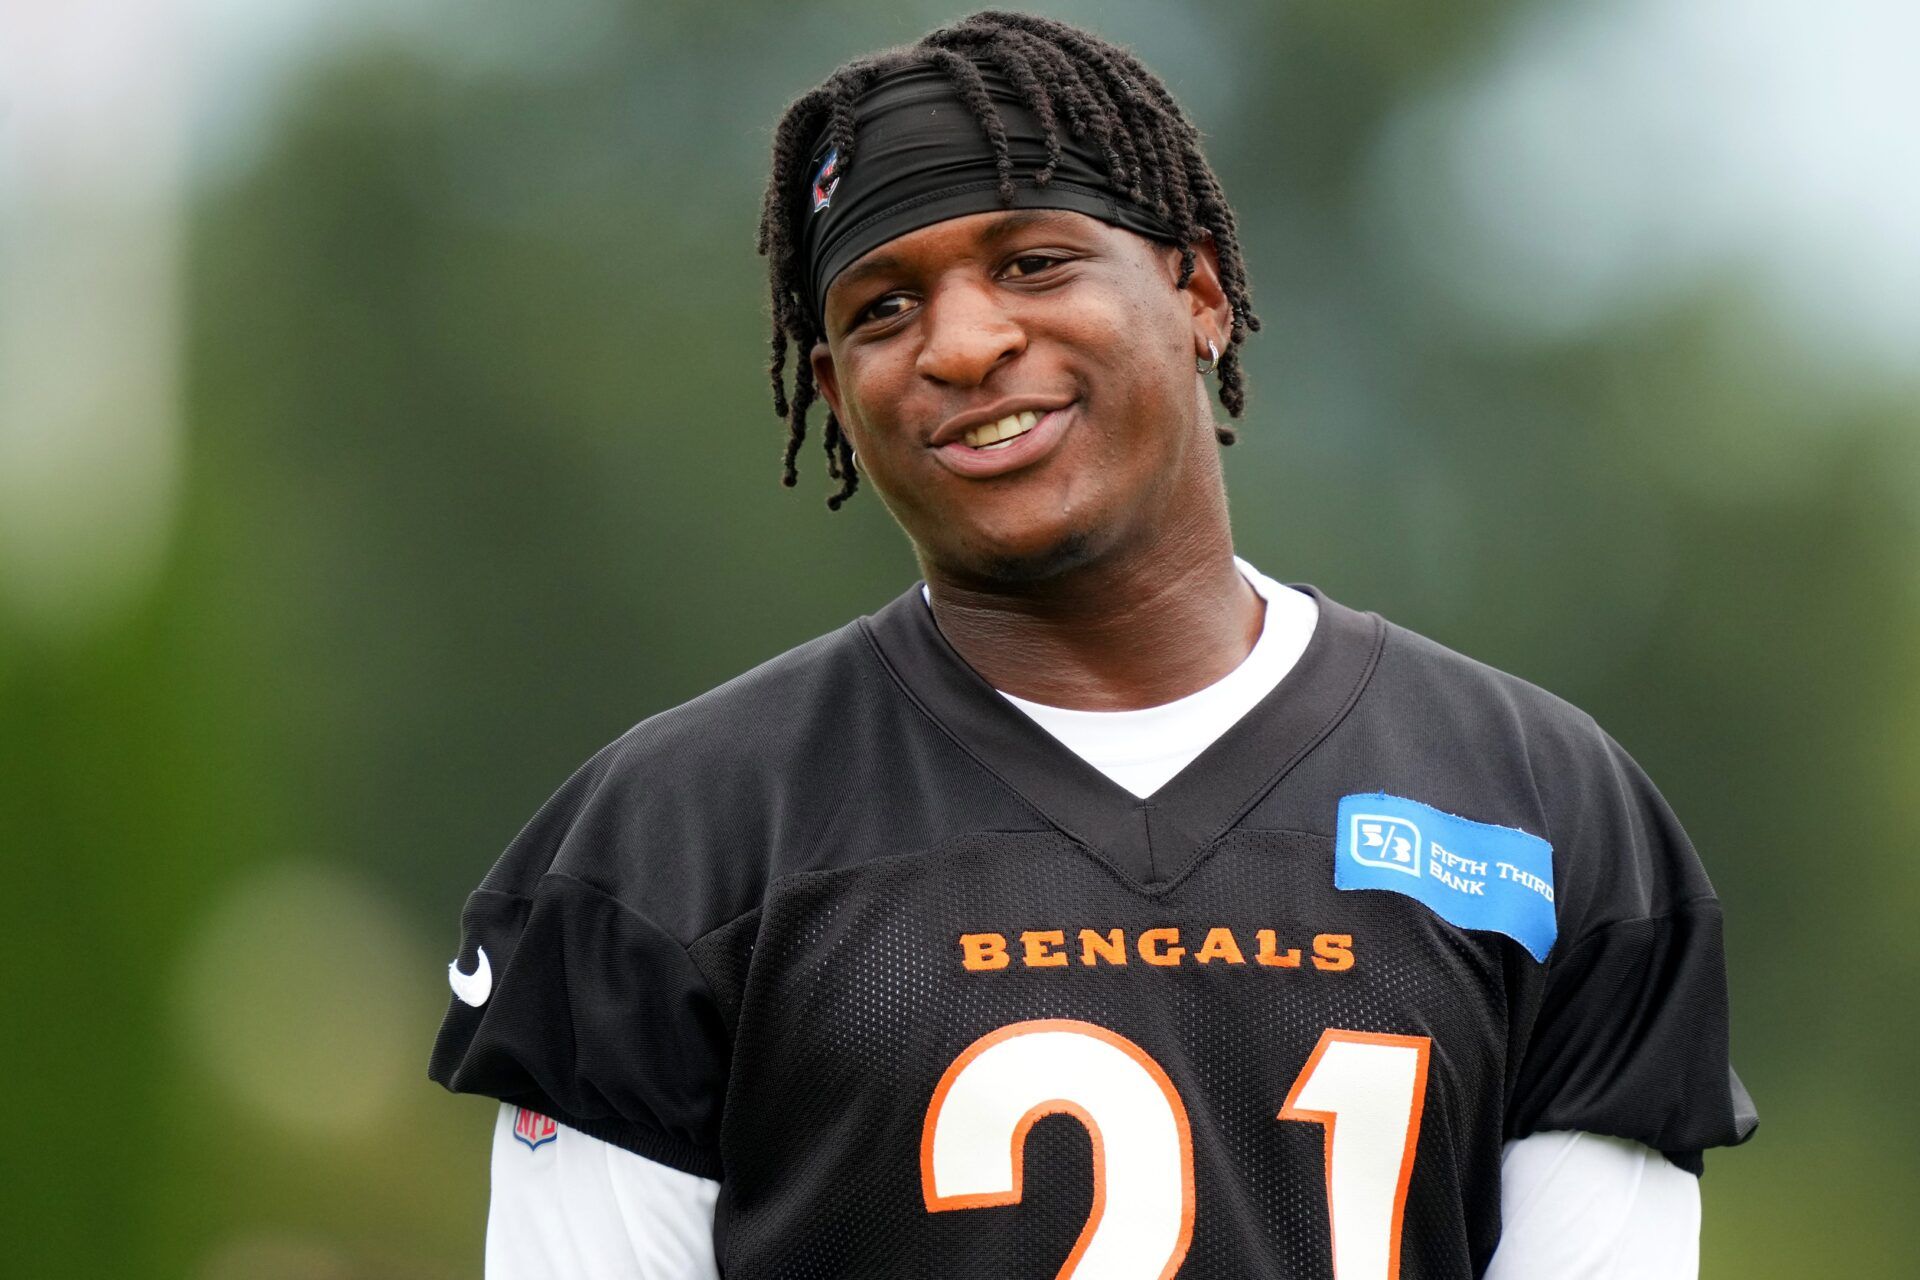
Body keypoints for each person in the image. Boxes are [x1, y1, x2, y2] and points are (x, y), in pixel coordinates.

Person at [430, 11, 1756, 1277]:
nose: (963, 343)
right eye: (883, 308)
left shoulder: (1543, 809)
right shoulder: (674, 839)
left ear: (1201, 292)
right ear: (832, 395)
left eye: (1034, 262)